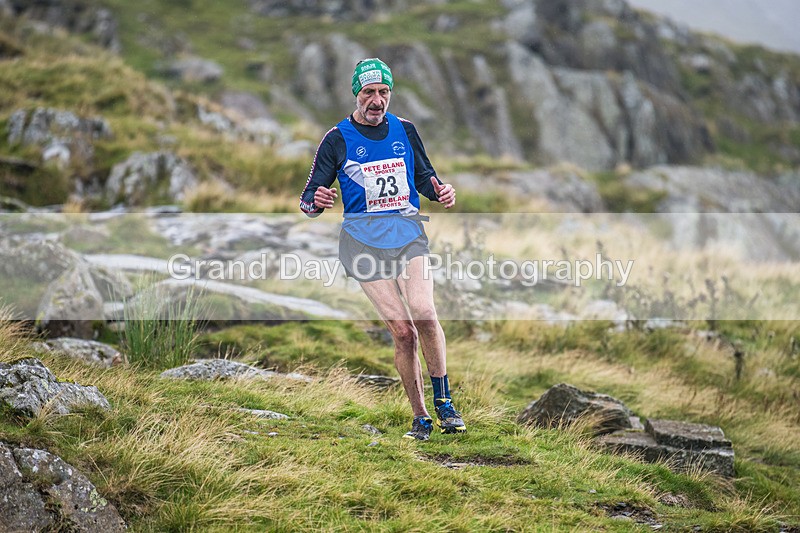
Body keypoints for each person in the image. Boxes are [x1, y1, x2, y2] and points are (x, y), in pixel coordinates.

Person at [299, 58, 466, 441]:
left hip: (408, 235)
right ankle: (421, 417)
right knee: (404, 333)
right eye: (369, 93)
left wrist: (441, 190)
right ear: (356, 94)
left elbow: (424, 177)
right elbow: (309, 199)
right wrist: (318, 201)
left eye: (384, 92)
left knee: (424, 313)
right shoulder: (337, 139)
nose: (377, 101)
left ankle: (445, 402)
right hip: (362, 246)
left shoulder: (405, 130)